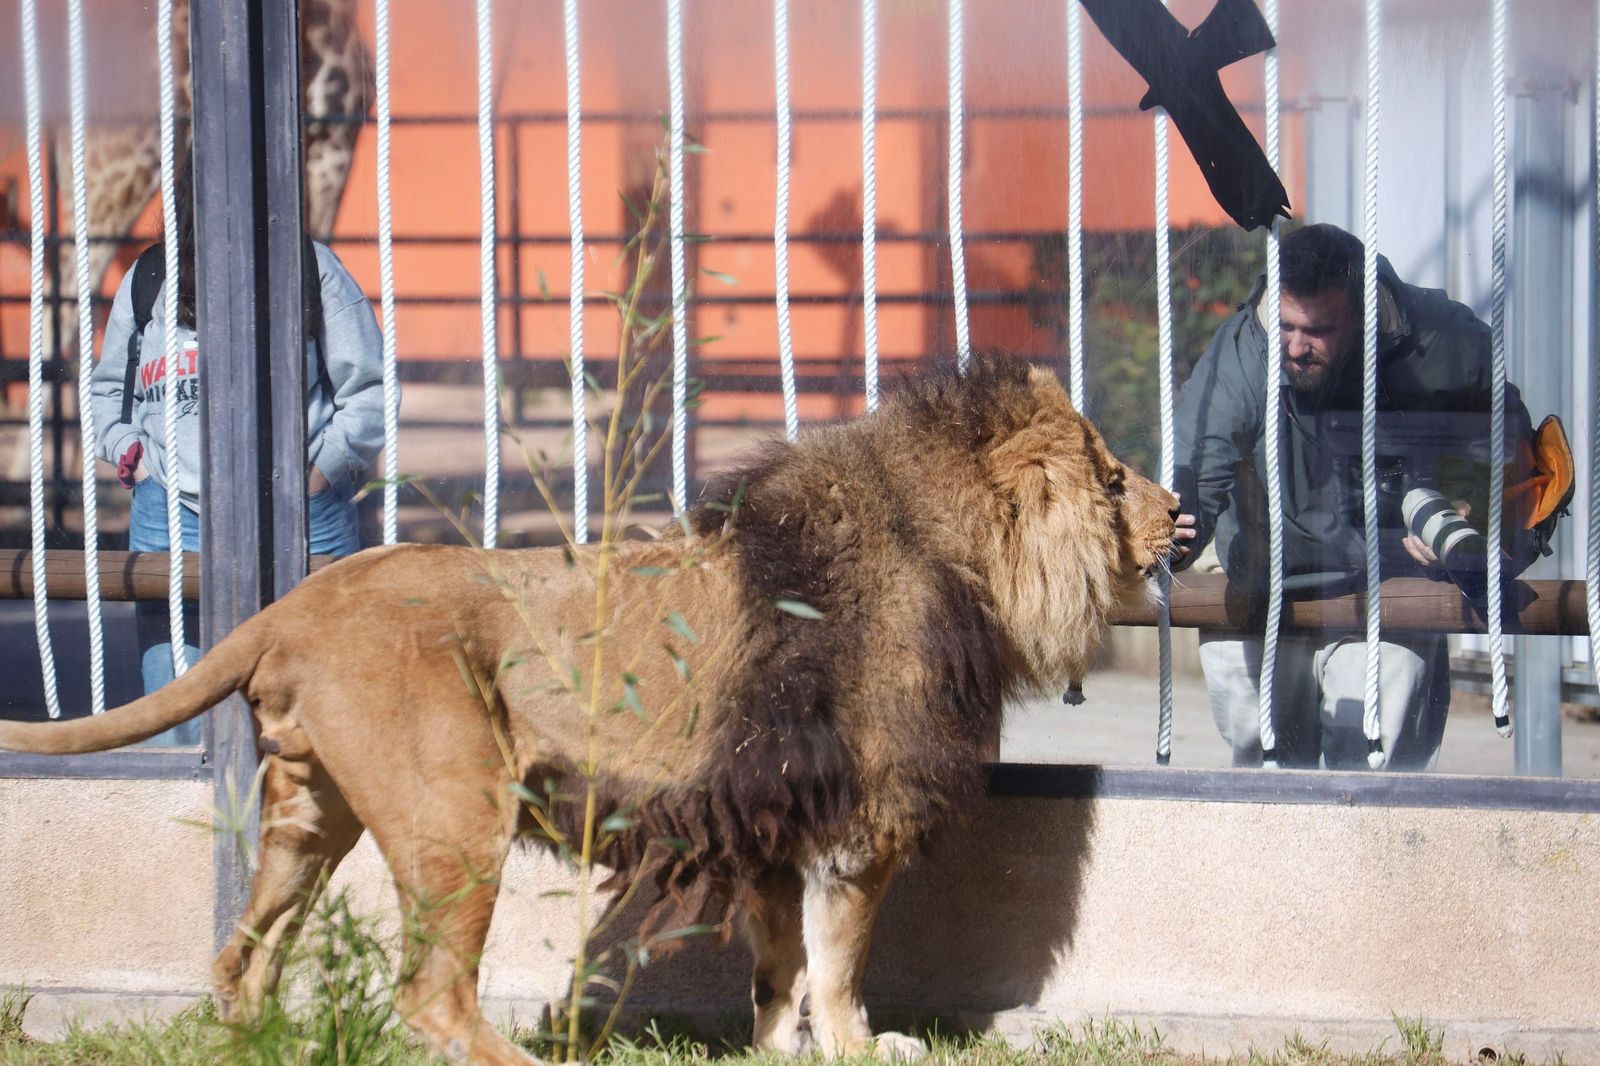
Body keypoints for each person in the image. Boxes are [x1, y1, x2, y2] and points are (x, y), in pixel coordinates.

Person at [1170, 223, 1535, 771]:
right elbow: (1201, 461)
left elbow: (1515, 446)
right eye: (1287, 325)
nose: (1294, 346)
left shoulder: (1443, 341)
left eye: (1317, 330)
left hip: (1390, 579)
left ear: (1362, 311)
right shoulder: (1251, 346)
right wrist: (1170, 535)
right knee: (1265, 770)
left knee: (1373, 767)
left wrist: (1473, 514)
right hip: (1267, 575)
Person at [91, 158, 386, 744]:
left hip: (300, 509)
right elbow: (107, 393)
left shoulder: (309, 270)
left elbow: (370, 390)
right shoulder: (151, 277)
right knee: (176, 713)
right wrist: (135, 458)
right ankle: (178, 835)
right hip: (170, 512)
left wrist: (320, 475)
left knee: (322, 707)